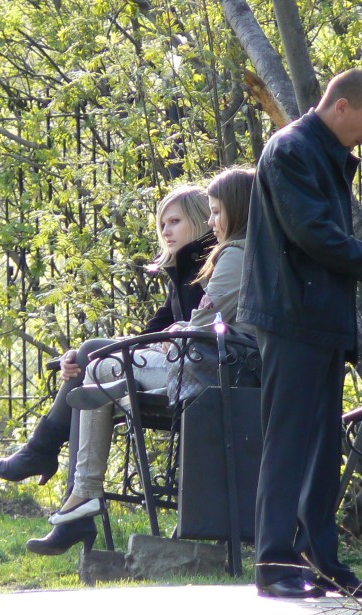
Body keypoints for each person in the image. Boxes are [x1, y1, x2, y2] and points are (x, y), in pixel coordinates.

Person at [238, 69, 362, 599]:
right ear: (340, 107)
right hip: (293, 315)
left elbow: (325, 235)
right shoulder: (292, 149)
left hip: (319, 317)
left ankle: (321, 558)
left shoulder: (322, 153)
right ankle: (274, 561)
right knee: (290, 441)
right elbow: (311, 233)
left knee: (320, 445)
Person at [2, 185, 216, 556]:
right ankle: (58, 483)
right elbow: (148, 334)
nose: (165, 231)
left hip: (198, 374)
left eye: (175, 221)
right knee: (90, 364)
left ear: (200, 220)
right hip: (178, 366)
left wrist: (87, 357)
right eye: (162, 223)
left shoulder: (206, 265)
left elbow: (187, 331)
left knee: (93, 366)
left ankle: (51, 468)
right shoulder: (183, 268)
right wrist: (81, 356)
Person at [43, 167, 257, 535]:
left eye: (218, 211)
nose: (212, 220)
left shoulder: (235, 255)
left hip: (211, 369)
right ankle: (76, 463)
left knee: (98, 364)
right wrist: (173, 332)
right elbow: (181, 325)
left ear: (238, 210)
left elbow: (202, 323)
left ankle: (84, 490)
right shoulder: (245, 254)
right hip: (210, 363)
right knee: (103, 362)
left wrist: (177, 331)